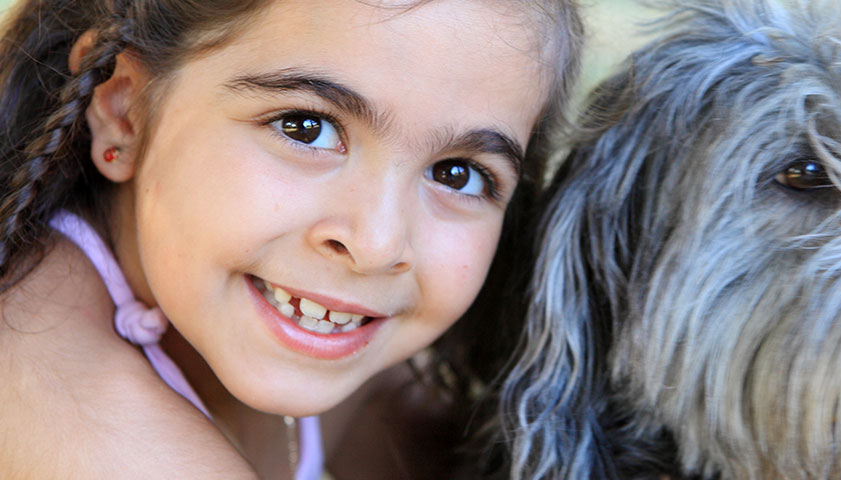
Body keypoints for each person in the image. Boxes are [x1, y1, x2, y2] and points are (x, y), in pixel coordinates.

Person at [0, 0, 582, 477]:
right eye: (306, 127)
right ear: (125, 109)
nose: (377, 243)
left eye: (457, 173)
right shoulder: (49, 385)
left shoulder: (313, 333)